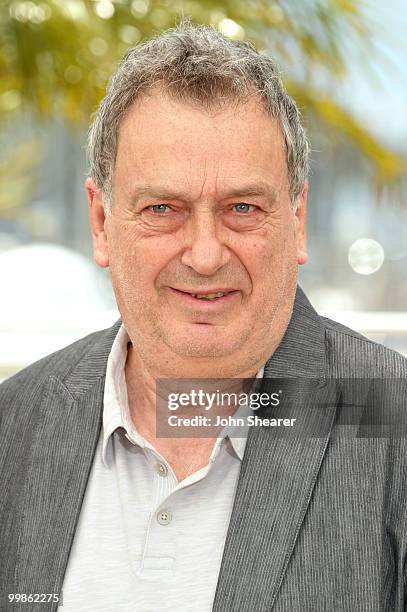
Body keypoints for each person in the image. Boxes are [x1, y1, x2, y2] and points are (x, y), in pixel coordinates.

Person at [1, 22, 407, 612]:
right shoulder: (15, 426)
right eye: (163, 208)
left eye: (243, 207)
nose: (206, 254)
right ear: (100, 224)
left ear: (297, 220)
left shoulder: (392, 422)